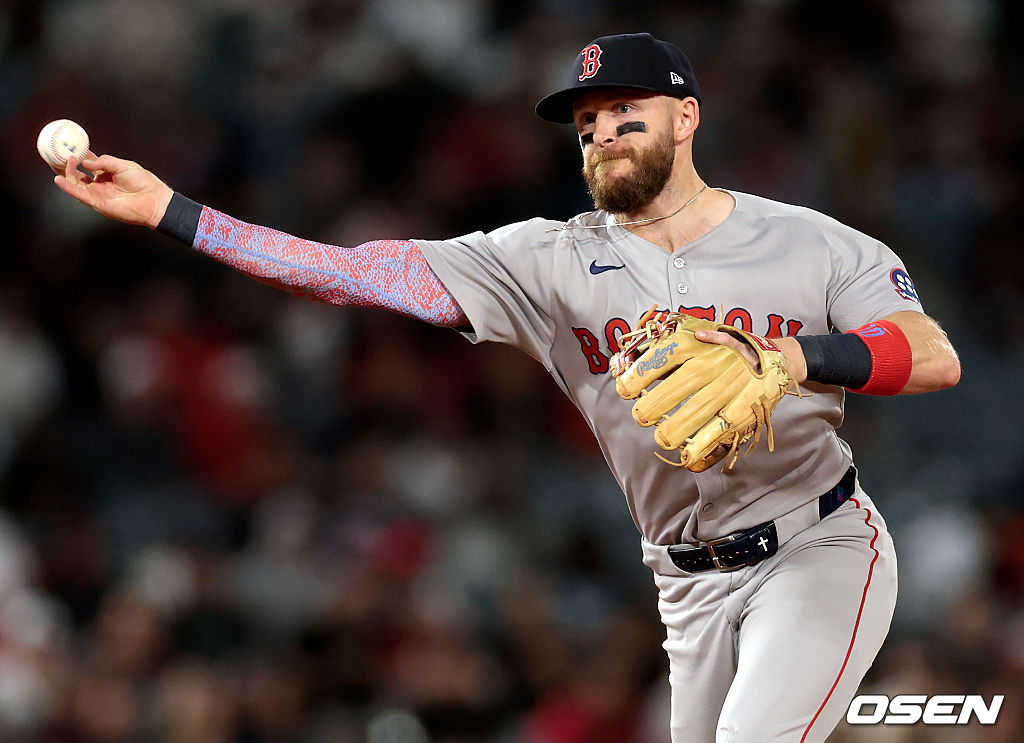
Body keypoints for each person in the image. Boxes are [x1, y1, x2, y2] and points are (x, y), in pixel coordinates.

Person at [52, 32, 959, 743]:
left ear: (686, 118)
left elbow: (930, 352)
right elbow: (348, 272)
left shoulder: (809, 241)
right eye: (586, 122)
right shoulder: (545, 262)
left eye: (623, 110)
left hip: (819, 541)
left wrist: (793, 358)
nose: (601, 131)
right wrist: (172, 211)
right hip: (685, 583)